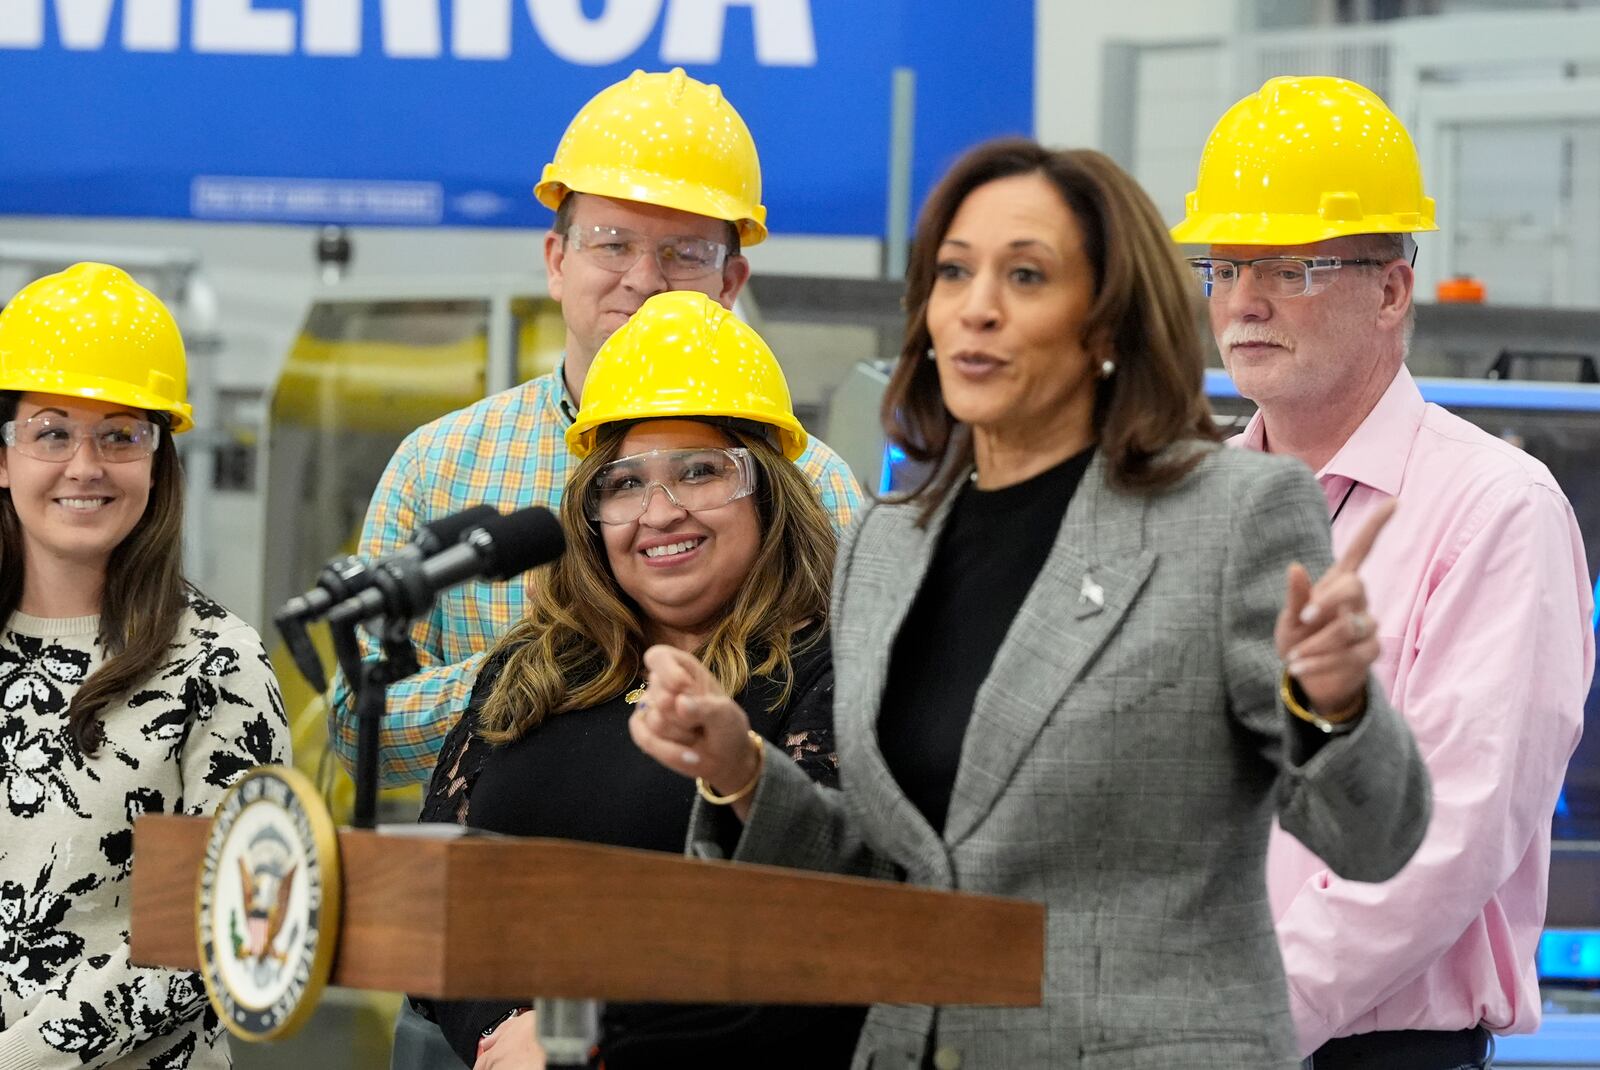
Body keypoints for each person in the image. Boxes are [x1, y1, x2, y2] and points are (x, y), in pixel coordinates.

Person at [629, 138, 1432, 1069]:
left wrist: (1332, 706)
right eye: (954, 273)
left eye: (1026, 276)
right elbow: (911, 877)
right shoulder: (887, 545)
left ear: (1105, 324)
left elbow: (1372, 841)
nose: (977, 308)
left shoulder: (1231, 514)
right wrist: (744, 773)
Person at [1172, 75, 1594, 1070]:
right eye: (1226, 263)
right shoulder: (1189, 506)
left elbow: (1439, 839)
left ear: (1392, 288)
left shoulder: (1496, 508)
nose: (1245, 300)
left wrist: (1236, 1020)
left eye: (1291, 268)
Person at [330, 67, 862, 791]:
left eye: (683, 252)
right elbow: (357, 727)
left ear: (731, 284)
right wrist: (551, 676)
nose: (643, 279)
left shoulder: (811, 484)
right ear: (557, 261)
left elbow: (860, 728)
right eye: (612, 244)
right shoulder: (441, 466)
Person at [414, 290, 865, 1070]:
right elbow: (425, 890)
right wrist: (499, 1029)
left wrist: (572, 1030)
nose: (660, 512)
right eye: (624, 483)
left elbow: (823, 918)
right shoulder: (536, 667)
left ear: (770, 494)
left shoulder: (832, 669)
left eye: (699, 472)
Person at [0, 263, 289, 1068]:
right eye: (51, 431)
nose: (85, 465)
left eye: (120, 434)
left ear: (158, 460)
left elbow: (225, 927)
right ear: (3, 457)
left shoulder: (216, 664)